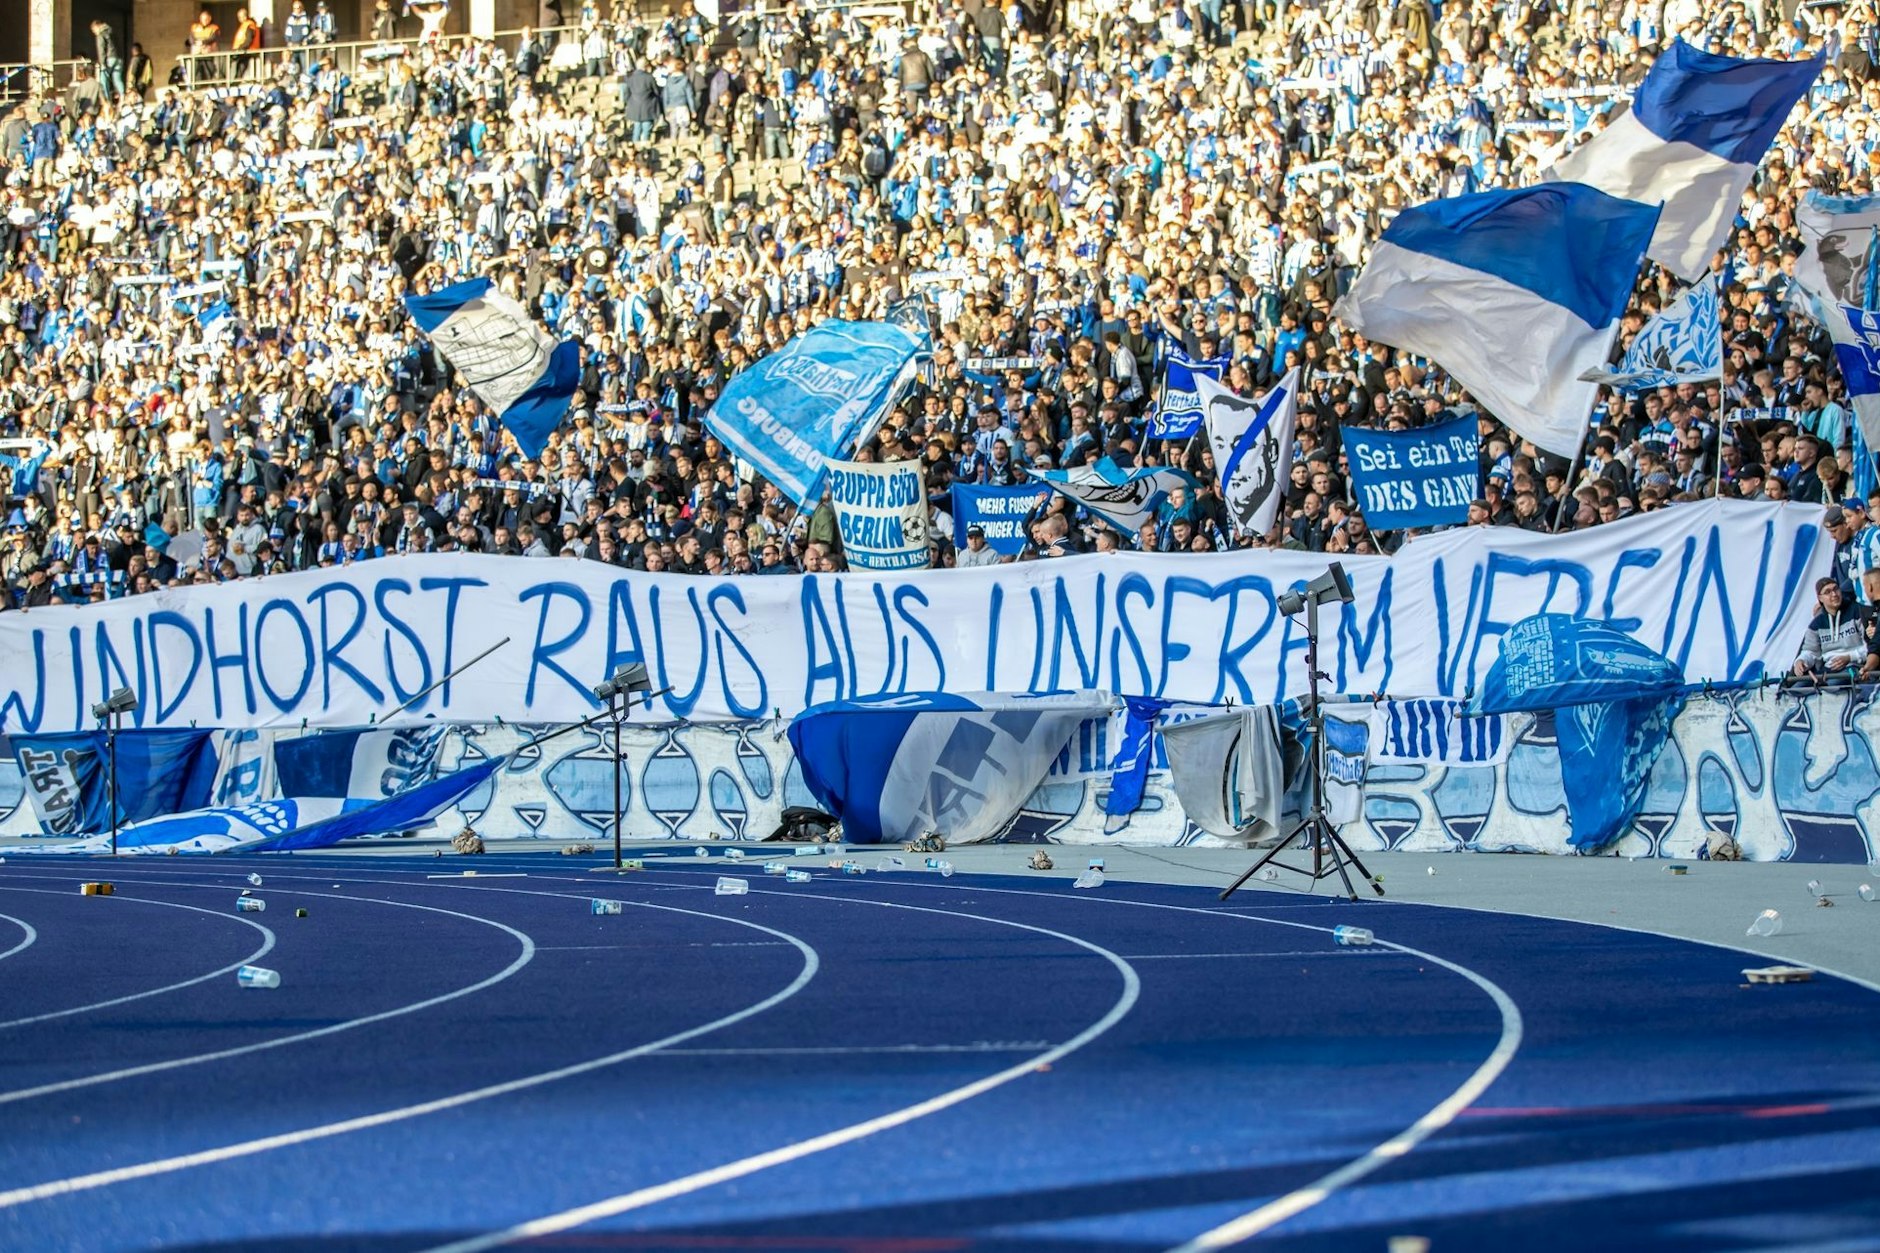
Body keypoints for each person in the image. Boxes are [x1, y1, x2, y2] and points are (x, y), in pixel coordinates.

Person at [1794, 578, 1871, 680]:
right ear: (1820, 598)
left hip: (1855, 665)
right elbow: (1811, 651)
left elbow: (1871, 646)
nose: (1834, 594)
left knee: (1832, 685)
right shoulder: (1816, 624)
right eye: (1828, 592)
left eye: (1836, 589)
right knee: (1799, 686)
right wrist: (1801, 661)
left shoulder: (1857, 612)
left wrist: (1850, 657)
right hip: (1827, 669)